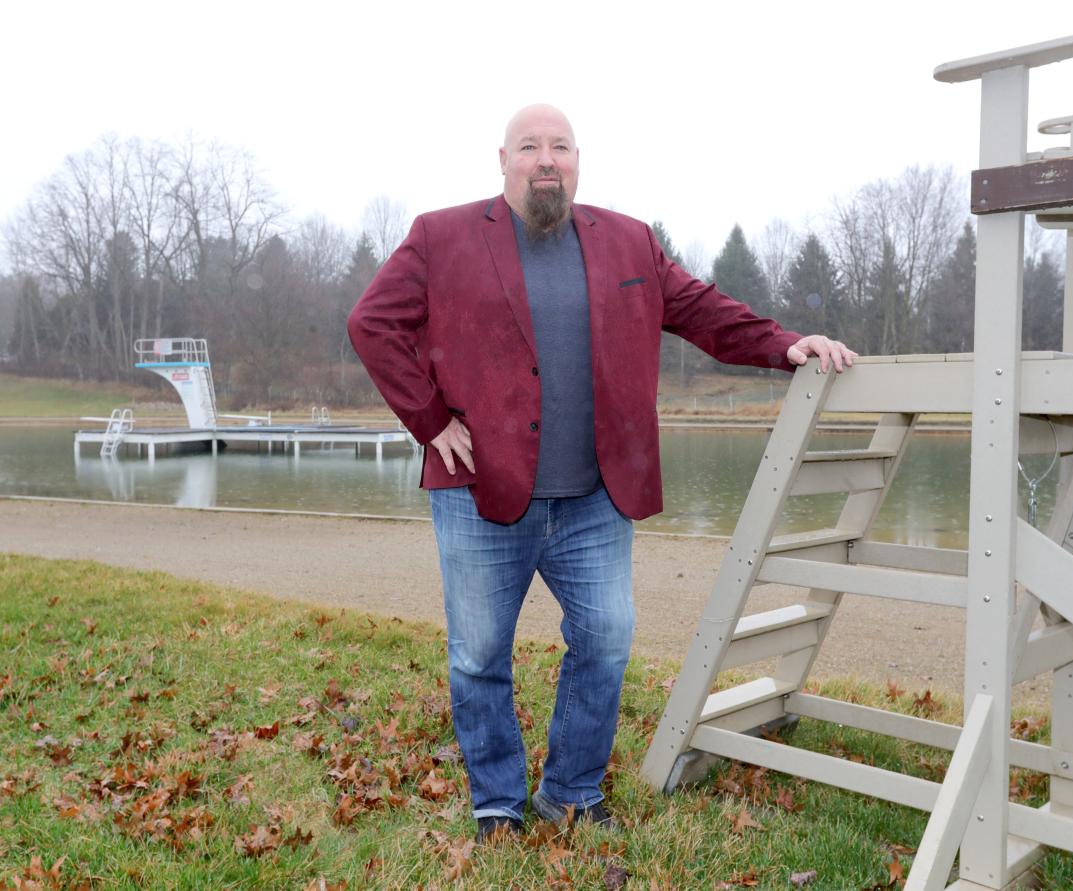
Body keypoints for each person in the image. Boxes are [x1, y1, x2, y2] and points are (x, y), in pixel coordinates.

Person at [347, 103, 856, 843]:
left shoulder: (628, 240)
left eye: (559, 146)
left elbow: (703, 312)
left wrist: (784, 344)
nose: (545, 158)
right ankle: (496, 803)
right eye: (530, 146)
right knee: (479, 654)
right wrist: (430, 420)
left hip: (593, 497)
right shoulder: (442, 235)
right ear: (503, 159)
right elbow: (371, 323)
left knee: (608, 640)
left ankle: (571, 793)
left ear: (577, 160)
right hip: (481, 495)